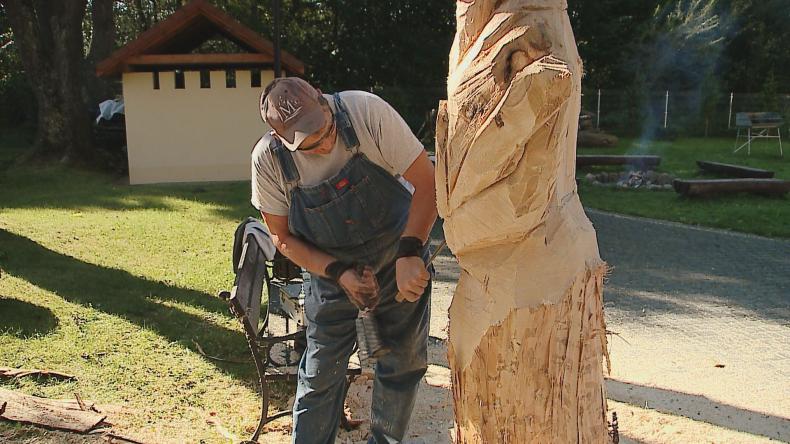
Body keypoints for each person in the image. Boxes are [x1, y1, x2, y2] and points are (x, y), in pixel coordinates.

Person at [251, 77, 437, 444]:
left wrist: (410, 251)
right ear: (278, 137)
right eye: (307, 145)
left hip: (397, 253)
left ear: (323, 100)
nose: (322, 146)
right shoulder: (269, 161)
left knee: (403, 362)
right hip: (329, 272)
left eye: (324, 131)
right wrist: (338, 273)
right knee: (321, 372)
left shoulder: (366, 112)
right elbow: (282, 238)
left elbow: (427, 183)